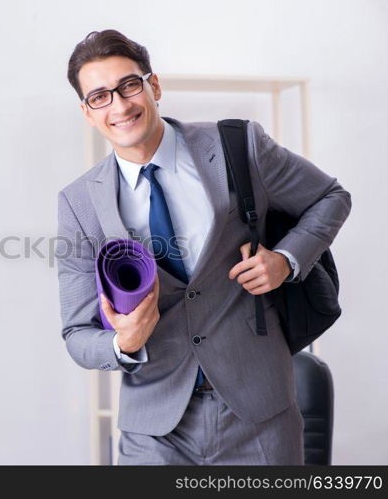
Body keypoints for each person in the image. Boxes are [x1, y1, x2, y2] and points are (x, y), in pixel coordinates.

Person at [56, 29, 351, 465]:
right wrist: (123, 343)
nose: (119, 106)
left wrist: (287, 260)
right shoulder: (79, 203)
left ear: (153, 85)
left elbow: (330, 197)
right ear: (87, 111)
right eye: (100, 96)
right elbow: (77, 334)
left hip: (259, 417)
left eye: (129, 85)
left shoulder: (238, 147)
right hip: (153, 432)